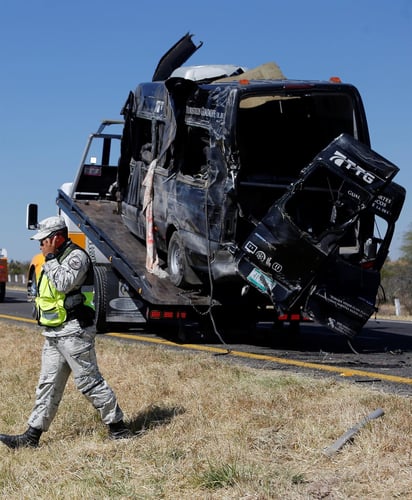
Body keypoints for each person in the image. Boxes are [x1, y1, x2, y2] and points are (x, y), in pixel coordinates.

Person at [0, 216, 131, 449]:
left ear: (57, 238)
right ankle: (31, 437)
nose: (40, 245)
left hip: (74, 331)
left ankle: (118, 428)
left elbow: (63, 284)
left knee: (89, 382)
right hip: (54, 332)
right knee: (47, 384)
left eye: (44, 240)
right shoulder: (51, 258)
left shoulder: (76, 257)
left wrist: (49, 257)